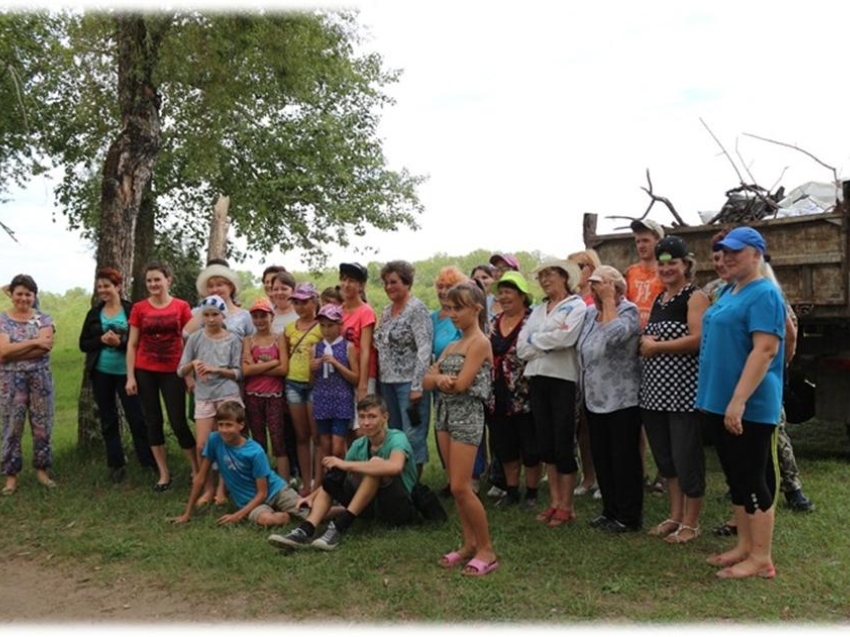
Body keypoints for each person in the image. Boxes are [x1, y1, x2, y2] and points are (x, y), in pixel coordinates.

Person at [696, 226, 784, 579]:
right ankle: (744, 547)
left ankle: (761, 558)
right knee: (736, 476)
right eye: (723, 251)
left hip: (748, 405)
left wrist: (738, 400)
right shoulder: (731, 291)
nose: (727, 257)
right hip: (719, 402)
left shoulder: (764, 293)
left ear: (756, 254)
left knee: (751, 477)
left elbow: (765, 349)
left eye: (736, 251)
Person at [267, 394, 418, 551]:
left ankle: (339, 527)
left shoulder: (397, 438)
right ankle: (305, 530)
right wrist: (311, 497)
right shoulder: (359, 444)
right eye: (362, 417)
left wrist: (346, 464)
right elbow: (340, 473)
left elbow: (395, 467)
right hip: (370, 507)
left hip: (399, 507)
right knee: (336, 475)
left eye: (372, 417)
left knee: (374, 466)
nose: (366, 422)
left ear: (385, 417)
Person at [639, 236, 709, 543]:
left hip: (682, 394)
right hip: (654, 394)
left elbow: (698, 339)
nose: (666, 269)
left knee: (686, 457)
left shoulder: (694, 297)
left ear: (686, 265)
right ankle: (675, 515)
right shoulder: (660, 298)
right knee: (666, 460)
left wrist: (658, 348)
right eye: (662, 264)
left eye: (673, 264)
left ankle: (692, 522)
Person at [424, 282, 497, 576]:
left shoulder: (479, 343)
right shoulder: (453, 345)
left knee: (461, 486)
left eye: (458, 308)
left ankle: (487, 549)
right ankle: (469, 544)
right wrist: (438, 380)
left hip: (467, 414)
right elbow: (427, 380)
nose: (451, 314)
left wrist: (440, 379)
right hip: (444, 415)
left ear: (476, 309)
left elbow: (461, 384)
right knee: (455, 484)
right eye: (449, 308)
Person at [517, 258, 586, 527]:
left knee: (562, 441)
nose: (545, 280)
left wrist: (536, 340)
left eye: (550, 275)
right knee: (545, 441)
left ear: (564, 277)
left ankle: (567, 505)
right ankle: (555, 502)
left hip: (563, 379)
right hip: (537, 377)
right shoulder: (538, 310)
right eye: (542, 276)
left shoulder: (576, 306)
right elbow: (521, 347)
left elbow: (566, 339)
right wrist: (544, 341)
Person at [577, 265, 643, 532]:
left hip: (622, 398)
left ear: (616, 286)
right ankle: (610, 511)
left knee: (623, 458)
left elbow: (613, 336)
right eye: (593, 285)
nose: (595, 289)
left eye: (601, 284)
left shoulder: (628, 310)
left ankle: (628, 516)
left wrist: (608, 301)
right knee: (602, 456)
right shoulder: (591, 313)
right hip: (594, 396)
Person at [170, 401, 306, 527]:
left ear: (241, 425)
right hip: (249, 502)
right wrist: (187, 513)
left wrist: (237, 516)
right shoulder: (214, 440)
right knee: (266, 520)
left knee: (312, 512)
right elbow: (200, 478)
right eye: (221, 424)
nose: (223, 430)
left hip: (275, 491)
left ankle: (322, 502)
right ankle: (284, 516)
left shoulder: (255, 452)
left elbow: (262, 493)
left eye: (229, 425)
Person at [78, 267, 155, 483]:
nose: (102, 290)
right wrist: (101, 341)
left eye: (107, 286)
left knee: (137, 418)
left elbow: (141, 343)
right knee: (108, 419)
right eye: (99, 286)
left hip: (127, 373)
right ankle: (116, 464)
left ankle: (147, 461)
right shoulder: (94, 314)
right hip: (101, 372)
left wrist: (119, 343)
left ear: (118, 287)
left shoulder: (132, 310)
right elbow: (83, 344)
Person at [126, 261, 197, 492]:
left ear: (168, 280)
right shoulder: (139, 308)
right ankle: (164, 473)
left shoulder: (181, 306)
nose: (153, 284)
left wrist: (188, 374)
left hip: (173, 370)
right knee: (152, 421)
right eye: (149, 280)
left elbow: (189, 342)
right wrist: (130, 377)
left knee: (178, 422)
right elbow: (132, 344)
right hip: (145, 370)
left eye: (157, 279)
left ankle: (196, 469)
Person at [178, 294, 244, 504]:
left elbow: (239, 372)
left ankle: (222, 490)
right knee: (202, 444)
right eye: (206, 314)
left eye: (215, 314)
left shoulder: (233, 338)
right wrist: (194, 364)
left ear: (222, 315)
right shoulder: (195, 338)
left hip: (227, 393)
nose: (211, 319)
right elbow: (180, 370)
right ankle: (207, 487)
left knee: (227, 440)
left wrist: (217, 369)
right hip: (204, 395)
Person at [374, 260, 433, 477]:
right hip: (388, 382)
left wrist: (417, 385)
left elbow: (424, 348)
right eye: (386, 283)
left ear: (407, 283)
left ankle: (414, 485)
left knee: (413, 435)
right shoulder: (387, 311)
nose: (389, 287)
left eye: (394, 282)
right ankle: (398, 481)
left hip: (410, 383)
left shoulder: (416, 309)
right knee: (395, 435)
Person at [487, 271, 541, 510]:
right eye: (501, 292)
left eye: (509, 292)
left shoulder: (532, 321)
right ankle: (511, 491)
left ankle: (531, 493)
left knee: (530, 446)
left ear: (522, 296)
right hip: (497, 394)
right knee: (505, 445)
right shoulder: (493, 323)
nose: (504, 296)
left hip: (525, 392)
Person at [1, 274, 56, 495]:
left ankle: (42, 471)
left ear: (34, 296)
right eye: (19, 294)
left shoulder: (44, 318)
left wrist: (16, 347)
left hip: (40, 378)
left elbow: (46, 347)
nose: (23, 298)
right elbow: (3, 352)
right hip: (10, 380)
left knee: (42, 425)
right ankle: (11, 476)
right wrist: (34, 341)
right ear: (12, 295)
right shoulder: (3, 319)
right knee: (11, 426)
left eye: (28, 294)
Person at [624, 218, 667, 494]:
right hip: (634, 346)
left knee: (660, 412)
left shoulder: (666, 272)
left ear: (658, 242)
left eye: (646, 240)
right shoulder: (630, 273)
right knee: (636, 414)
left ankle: (665, 473)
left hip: (659, 347)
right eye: (638, 241)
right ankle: (638, 472)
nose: (641, 245)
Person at [567, 249, 603, 499]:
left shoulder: (598, 297)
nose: (576, 271)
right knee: (582, 429)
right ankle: (588, 477)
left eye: (580, 266)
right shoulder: (571, 300)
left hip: (599, 372)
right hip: (575, 370)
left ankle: (603, 478)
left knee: (599, 428)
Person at [242, 298, 290, 479]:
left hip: (274, 395)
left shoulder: (279, 339)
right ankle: (262, 480)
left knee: (278, 440)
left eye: (264, 316)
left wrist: (259, 366)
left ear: (272, 316)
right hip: (253, 395)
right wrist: (273, 362)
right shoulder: (248, 341)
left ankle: (283, 483)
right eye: (256, 317)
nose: (260, 320)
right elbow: (246, 370)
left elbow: (284, 369)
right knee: (258, 441)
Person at [285, 282, 322, 494]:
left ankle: (318, 482)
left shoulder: (322, 325)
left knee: (317, 436)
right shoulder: (289, 328)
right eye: (296, 302)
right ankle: (305, 482)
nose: (300, 306)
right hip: (293, 383)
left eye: (304, 302)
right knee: (301, 436)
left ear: (314, 301)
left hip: (315, 384)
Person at [311, 303, 359, 466]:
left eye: (330, 325)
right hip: (322, 399)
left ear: (340, 325)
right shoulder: (315, 348)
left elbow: (356, 378)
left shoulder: (348, 347)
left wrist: (337, 364)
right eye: (322, 326)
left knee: (338, 447)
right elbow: (312, 381)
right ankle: (329, 484)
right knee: (325, 446)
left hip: (342, 401)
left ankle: (342, 479)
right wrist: (312, 369)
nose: (326, 330)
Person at [183, 261, 254, 339]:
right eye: (210, 286)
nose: (215, 290)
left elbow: (253, 342)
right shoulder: (197, 312)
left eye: (219, 285)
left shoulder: (245, 316)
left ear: (230, 287)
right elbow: (185, 335)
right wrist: (205, 308)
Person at [338, 262, 377, 402]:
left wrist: (363, 384)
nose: (346, 284)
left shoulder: (366, 312)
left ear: (361, 286)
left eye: (352, 281)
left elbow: (366, 350)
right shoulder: (338, 311)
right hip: (343, 373)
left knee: (363, 420)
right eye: (343, 279)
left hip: (363, 374)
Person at [271, 270, 299, 335]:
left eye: (284, 289)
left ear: (293, 291)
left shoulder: (301, 314)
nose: (279, 292)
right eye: (275, 289)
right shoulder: (267, 316)